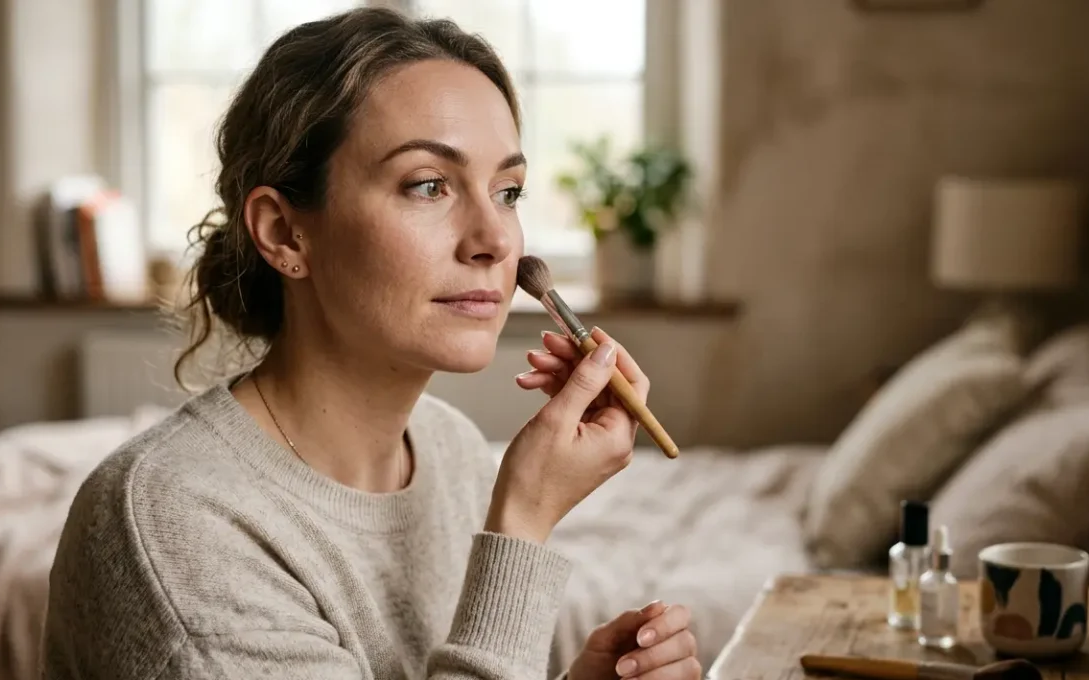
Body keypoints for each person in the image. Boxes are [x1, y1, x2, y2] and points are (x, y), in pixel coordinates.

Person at [40, 7, 700, 680]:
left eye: (508, 191)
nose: (496, 241)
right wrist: (522, 526)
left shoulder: (452, 452)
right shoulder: (171, 523)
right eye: (428, 185)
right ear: (285, 233)